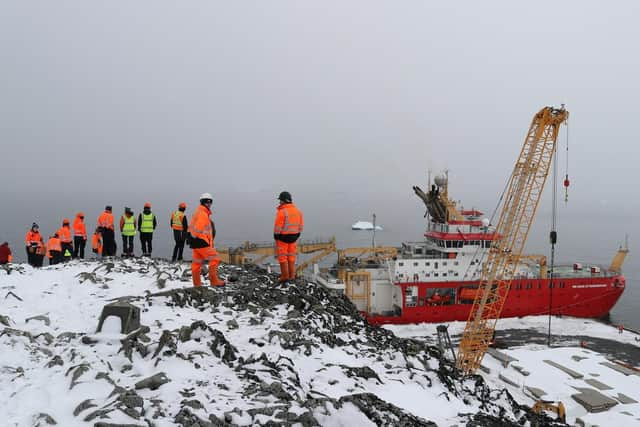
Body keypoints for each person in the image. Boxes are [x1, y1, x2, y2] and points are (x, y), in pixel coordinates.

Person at [188, 193, 224, 287]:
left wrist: (191, 238)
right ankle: (214, 281)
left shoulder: (197, 212)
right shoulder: (203, 214)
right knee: (215, 259)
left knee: (196, 264)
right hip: (201, 242)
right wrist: (197, 237)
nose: (208, 203)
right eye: (206, 202)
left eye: (210, 202)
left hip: (195, 242)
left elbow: (191, 227)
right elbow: (198, 229)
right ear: (202, 202)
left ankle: (197, 285)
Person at [273, 191, 304, 283]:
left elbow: (278, 226)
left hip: (283, 238)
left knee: (282, 257)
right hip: (294, 237)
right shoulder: (298, 211)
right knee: (291, 256)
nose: (279, 202)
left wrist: (276, 236)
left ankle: (285, 276)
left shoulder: (282, 212)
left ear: (284, 200)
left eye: (280, 200)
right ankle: (292, 276)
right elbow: (301, 226)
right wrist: (297, 235)